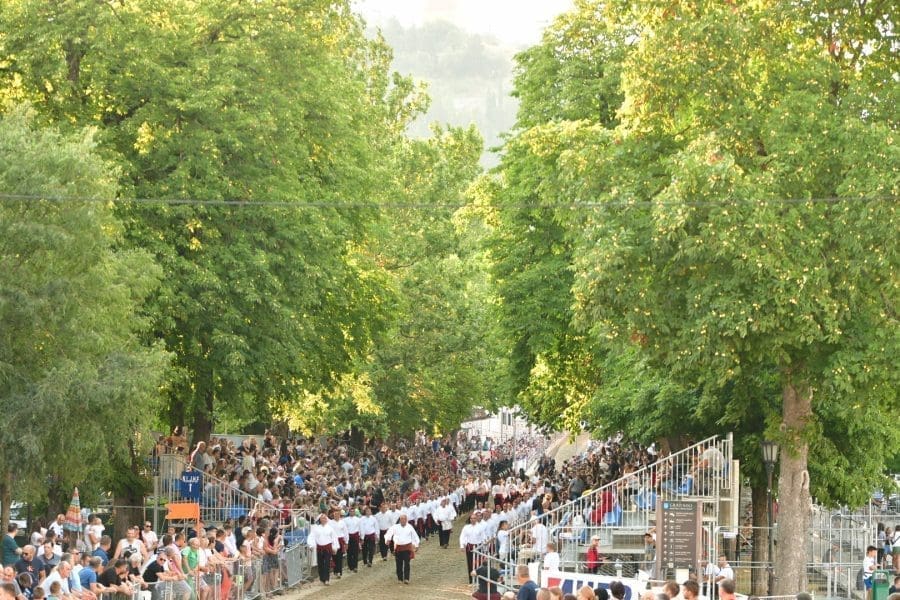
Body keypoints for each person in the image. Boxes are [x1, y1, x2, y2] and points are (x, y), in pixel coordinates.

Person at [384, 513, 420, 585]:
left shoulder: (410, 527)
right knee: (399, 564)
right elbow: (389, 533)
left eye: (404, 519)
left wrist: (416, 545)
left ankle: (406, 578)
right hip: (398, 548)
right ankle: (400, 578)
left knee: (407, 563)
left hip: (407, 548)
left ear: (406, 520)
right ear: (399, 520)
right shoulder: (395, 527)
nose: (403, 521)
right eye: (401, 519)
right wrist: (388, 539)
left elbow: (415, 536)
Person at [306, 513, 338, 586]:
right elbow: (311, 537)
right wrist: (311, 545)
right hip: (320, 548)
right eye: (322, 518)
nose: (324, 519)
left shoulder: (330, 528)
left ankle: (326, 579)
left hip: (328, 548)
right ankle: (322, 578)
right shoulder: (316, 528)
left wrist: (335, 547)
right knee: (320, 564)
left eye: (325, 518)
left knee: (327, 563)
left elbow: (334, 538)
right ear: (320, 519)